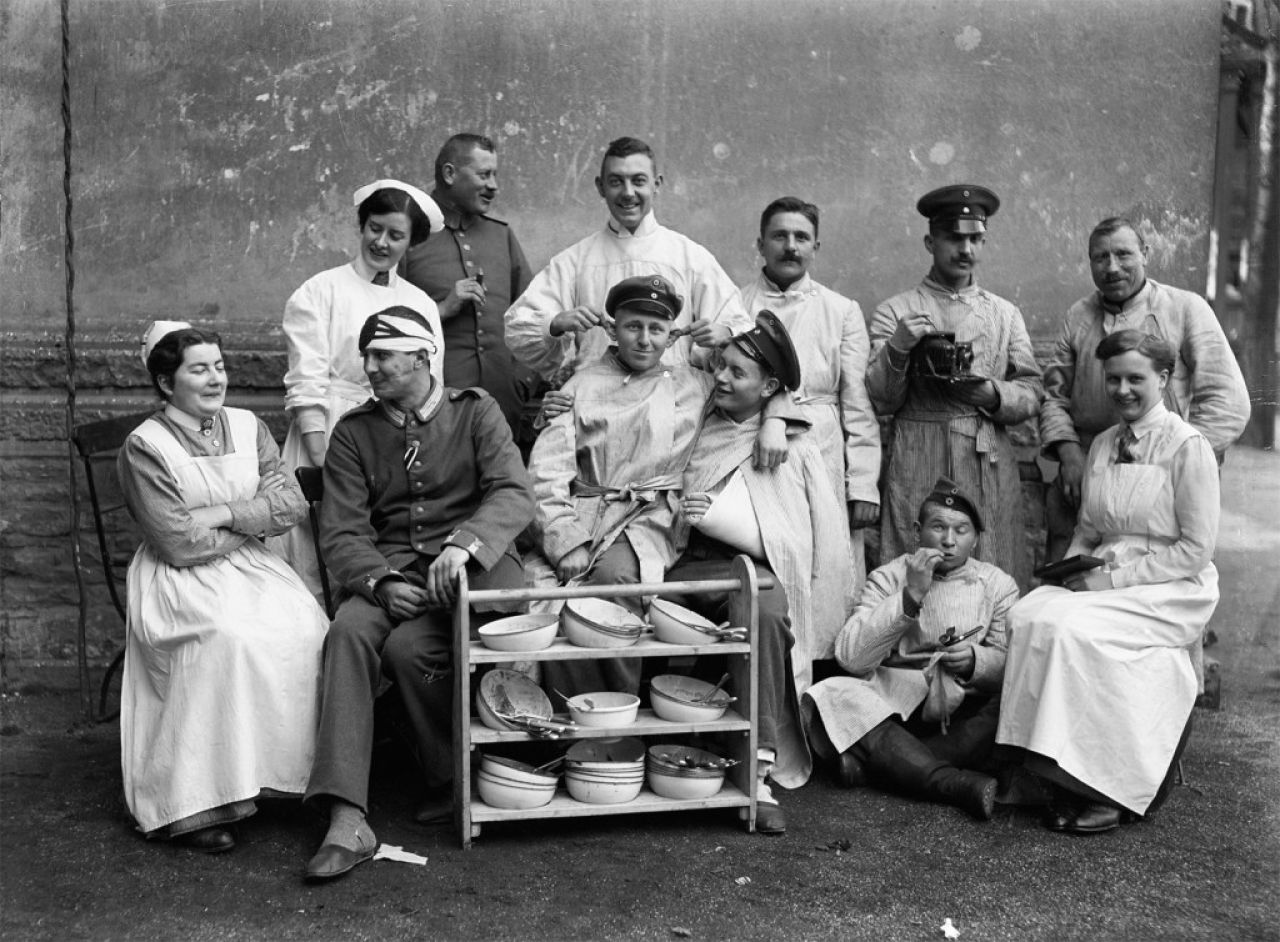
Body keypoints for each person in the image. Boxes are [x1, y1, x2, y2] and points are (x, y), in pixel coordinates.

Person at [303, 307, 533, 882]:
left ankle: (447, 775)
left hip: (472, 571)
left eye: (383, 357)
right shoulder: (354, 432)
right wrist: (379, 581)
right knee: (348, 632)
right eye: (369, 357)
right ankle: (346, 815)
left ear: (423, 357)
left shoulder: (475, 413)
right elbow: (341, 531)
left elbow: (512, 491)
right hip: (395, 573)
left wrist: (464, 545)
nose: (371, 368)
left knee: (409, 652)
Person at [526, 275, 794, 699]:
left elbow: (764, 385)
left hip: (654, 518)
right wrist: (563, 539)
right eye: (633, 326)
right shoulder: (578, 384)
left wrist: (777, 417)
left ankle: (612, 714)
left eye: (657, 329)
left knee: (615, 582)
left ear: (673, 336)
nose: (645, 340)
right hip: (586, 513)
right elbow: (546, 471)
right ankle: (566, 716)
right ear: (612, 329)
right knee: (546, 597)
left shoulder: (696, 383)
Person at [997, 329, 1221, 834]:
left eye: (1135, 378)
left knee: (1075, 632)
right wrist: (1067, 573)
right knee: (1030, 614)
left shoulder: (1188, 447)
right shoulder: (1101, 444)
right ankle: (1045, 769)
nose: (1123, 390)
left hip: (1170, 584)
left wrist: (1105, 583)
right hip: (1103, 573)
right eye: (1114, 379)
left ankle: (1104, 786)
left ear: (1162, 379)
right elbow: (1089, 531)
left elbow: (1194, 550)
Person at [117, 322, 328, 854]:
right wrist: (251, 520)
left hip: (253, 568)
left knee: (307, 627)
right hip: (180, 581)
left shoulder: (247, 425)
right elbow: (178, 542)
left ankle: (285, 777)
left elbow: (290, 505)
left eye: (219, 366)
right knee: (228, 636)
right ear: (167, 383)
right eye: (199, 369)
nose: (216, 379)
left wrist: (222, 514)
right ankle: (196, 801)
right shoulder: (145, 446)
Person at [664, 312, 856, 835]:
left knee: (766, 609)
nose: (722, 378)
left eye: (738, 373)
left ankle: (757, 770)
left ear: (769, 387)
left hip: (754, 567)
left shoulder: (790, 444)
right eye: (721, 367)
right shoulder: (702, 411)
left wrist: (727, 521)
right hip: (680, 556)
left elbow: (796, 538)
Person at [803, 478, 1017, 822]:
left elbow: (1010, 661)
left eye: (961, 530)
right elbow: (851, 658)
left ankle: (878, 768)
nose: (949, 541)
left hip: (962, 710)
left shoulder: (998, 585)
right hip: (898, 710)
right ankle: (951, 783)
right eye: (938, 527)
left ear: (976, 538)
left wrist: (976, 661)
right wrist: (910, 596)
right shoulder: (889, 577)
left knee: (1011, 702)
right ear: (918, 531)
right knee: (833, 693)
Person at [1039, 216, 1250, 562]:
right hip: (1088, 471)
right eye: (1100, 258)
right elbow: (1053, 397)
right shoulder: (1078, 316)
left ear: (1145, 254)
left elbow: (1230, 402)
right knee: (1070, 580)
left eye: (1123, 254)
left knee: (1147, 579)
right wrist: (1069, 453)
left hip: (1162, 480)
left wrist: (1175, 463)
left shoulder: (1185, 308)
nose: (1112, 268)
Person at [866, 184, 1041, 590]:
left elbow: (1032, 390)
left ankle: (990, 649)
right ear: (931, 241)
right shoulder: (896, 310)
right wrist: (899, 346)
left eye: (975, 239)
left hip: (986, 453)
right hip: (919, 447)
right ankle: (908, 642)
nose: (965, 249)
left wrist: (994, 396)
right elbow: (882, 398)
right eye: (953, 238)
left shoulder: (1004, 313)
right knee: (917, 554)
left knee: (991, 559)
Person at [276, 178, 446, 593]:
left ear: (411, 242)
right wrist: (321, 457)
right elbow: (307, 379)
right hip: (329, 430)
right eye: (375, 228)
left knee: (380, 548)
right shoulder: (320, 291)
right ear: (361, 226)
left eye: (396, 235)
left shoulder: (420, 304)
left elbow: (431, 385)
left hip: (394, 439)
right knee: (316, 557)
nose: (382, 242)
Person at [504, 136, 752, 384]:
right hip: (594, 405)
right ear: (601, 187)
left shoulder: (691, 257)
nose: (628, 192)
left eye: (638, 181)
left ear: (657, 184)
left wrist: (725, 333)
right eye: (616, 182)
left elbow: (742, 329)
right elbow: (519, 329)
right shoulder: (574, 261)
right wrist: (555, 323)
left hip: (674, 404)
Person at [739, 196, 880, 577]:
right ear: (760, 244)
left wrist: (864, 484)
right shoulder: (737, 306)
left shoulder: (842, 310)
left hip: (823, 447)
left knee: (828, 565)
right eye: (779, 236)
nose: (790, 246)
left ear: (815, 247)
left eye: (801, 237)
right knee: (769, 559)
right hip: (759, 446)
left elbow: (858, 403)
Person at [400, 133, 542, 446]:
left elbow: (534, 315)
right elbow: (386, 325)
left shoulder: (501, 236)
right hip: (431, 414)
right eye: (484, 175)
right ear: (450, 174)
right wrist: (442, 309)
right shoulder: (409, 239)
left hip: (503, 410)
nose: (494, 186)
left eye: (495, 175)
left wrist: (522, 380)